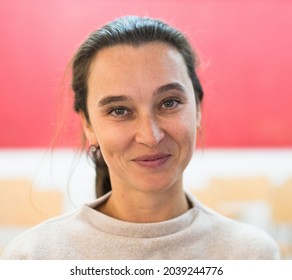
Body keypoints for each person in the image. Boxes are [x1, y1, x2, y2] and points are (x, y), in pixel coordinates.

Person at [1, 15, 280, 260]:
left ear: (197, 110)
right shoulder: (35, 257)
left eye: (169, 103)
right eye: (119, 110)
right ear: (88, 126)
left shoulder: (251, 255)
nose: (151, 135)